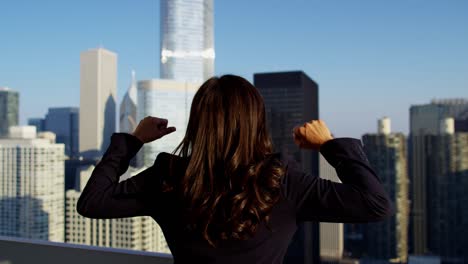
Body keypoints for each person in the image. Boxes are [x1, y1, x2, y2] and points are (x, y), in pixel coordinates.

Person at [77, 75, 393, 264]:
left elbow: (92, 201)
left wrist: (132, 142)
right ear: (256, 123)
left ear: (198, 124)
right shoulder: (281, 181)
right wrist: (330, 145)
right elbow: (374, 203)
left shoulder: (168, 177)